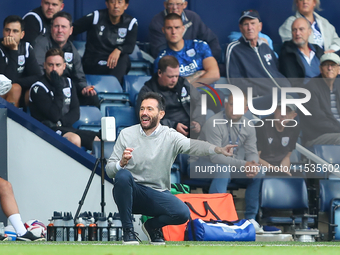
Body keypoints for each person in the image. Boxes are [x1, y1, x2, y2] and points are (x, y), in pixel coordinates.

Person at [106, 91, 236, 245]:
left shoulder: (171, 136)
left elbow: (194, 146)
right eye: (142, 109)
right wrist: (120, 163)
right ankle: (128, 231)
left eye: (149, 109)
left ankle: (152, 226)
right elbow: (109, 170)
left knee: (182, 213)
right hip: (133, 193)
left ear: (161, 114)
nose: (144, 113)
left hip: (158, 194)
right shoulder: (126, 134)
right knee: (122, 176)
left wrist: (218, 149)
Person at [198, 92, 264, 233]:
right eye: (232, 104)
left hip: (231, 166)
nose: (235, 109)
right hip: (202, 164)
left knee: (258, 173)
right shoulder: (213, 123)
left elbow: (252, 151)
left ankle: (251, 219)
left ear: (245, 109)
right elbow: (215, 157)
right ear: (226, 105)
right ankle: (215, 217)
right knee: (222, 168)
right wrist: (243, 164)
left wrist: (253, 164)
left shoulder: (248, 126)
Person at [29, 48, 100, 151]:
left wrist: (60, 123)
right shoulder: (38, 88)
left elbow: (75, 112)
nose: (54, 69)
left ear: (64, 66)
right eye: (50, 65)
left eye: (58, 65)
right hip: (46, 130)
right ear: (44, 65)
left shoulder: (68, 83)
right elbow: (54, 116)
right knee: (74, 139)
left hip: (65, 127)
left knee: (97, 140)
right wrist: (58, 87)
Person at [34, 12, 99, 107]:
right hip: (48, 88)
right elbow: (38, 72)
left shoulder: (72, 49)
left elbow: (79, 77)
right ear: (51, 28)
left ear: (71, 30)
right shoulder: (41, 44)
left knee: (92, 97)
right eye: (56, 26)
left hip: (67, 89)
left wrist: (84, 88)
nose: (60, 30)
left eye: (64, 27)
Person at [226, 9, 291, 97]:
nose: (250, 28)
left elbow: (277, 70)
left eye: (253, 23)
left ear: (260, 26)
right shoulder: (234, 48)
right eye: (246, 24)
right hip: (262, 97)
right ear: (240, 28)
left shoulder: (265, 46)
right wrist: (259, 92)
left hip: (284, 91)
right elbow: (235, 81)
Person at [136, 55, 203, 138]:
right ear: (160, 73)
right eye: (170, 77)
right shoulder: (148, 91)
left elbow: (201, 102)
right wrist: (173, 126)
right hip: (165, 134)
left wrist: (199, 122)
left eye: (176, 76)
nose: (174, 80)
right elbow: (145, 117)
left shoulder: (183, 83)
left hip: (191, 129)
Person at [72, 0, 138, 85]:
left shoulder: (131, 23)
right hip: (93, 61)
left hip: (114, 63)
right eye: (112, 2)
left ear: (126, 6)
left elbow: (130, 46)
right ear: (107, 4)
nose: (116, 6)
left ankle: (114, 89)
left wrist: (118, 49)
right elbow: (72, 29)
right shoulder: (96, 17)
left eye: (120, 2)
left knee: (124, 58)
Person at [154, 13, 220, 87]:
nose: (173, 32)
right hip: (183, 97)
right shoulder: (162, 59)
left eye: (177, 27)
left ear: (183, 29)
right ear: (163, 30)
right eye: (169, 28)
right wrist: (198, 74)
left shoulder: (199, 46)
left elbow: (214, 74)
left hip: (207, 93)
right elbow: (171, 86)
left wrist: (187, 86)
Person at [148, 0, 221, 61]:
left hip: (198, 63)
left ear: (185, 5)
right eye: (171, 4)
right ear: (165, 5)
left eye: (178, 4)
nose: (175, 8)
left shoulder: (193, 17)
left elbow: (212, 41)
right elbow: (160, 52)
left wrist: (208, 61)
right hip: (173, 67)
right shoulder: (157, 22)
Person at [0, 15, 42, 107]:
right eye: (7, 30)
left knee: (30, 89)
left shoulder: (26, 48)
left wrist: (17, 81)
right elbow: (6, 81)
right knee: (15, 88)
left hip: (20, 90)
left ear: (22, 35)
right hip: (1, 92)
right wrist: (14, 51)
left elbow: (37, 76)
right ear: (3, 31)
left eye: (15, 31)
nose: (10, 34)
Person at [300, 53, 340, 147]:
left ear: (339, 69)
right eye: (326, 65)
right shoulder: (310, 88)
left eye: (333, 65)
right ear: (320, 69)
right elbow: (318, 121)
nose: (330, 68)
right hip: (317, 136)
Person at [256, 98, 299, 177]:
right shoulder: (261, 126)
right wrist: (277, 171)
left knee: (302, 177)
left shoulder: (294, 128)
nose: (283, 114)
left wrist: (284, 171)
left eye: (288, 111)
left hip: (279, 168)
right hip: (261, 168)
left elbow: (286, 156)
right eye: (281, 109)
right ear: (274, 110)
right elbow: (255, 158)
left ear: (293, 115)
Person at [279, 17, 323, 87]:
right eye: (294, 30)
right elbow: (294, 84)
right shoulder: (288, 53)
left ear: (309, 32)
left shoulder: (318, 50)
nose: (297, 33)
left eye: (301, 29)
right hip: (305, 94)